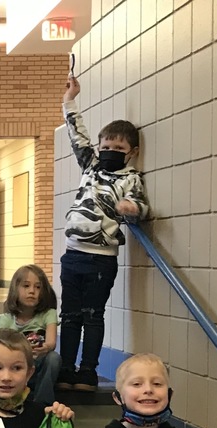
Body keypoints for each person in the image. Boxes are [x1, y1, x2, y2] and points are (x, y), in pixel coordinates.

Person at [58, 75, 149, 392]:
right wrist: (70, 100)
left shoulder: (131, 178)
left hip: (102, 259)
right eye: (106, 146)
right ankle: (66, 368)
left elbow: (142, 206)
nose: (110, 151)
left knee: (92, 316)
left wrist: (132, 209)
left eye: (118, 148)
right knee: (69, 316)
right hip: (72, 254)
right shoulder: (91, 166)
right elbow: (77, 136)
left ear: (131, 152)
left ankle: (87, 371)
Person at [0, 265, 61, 406]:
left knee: (53, 358)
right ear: (15, 289)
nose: (32, 291)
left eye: (38, 287)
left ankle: (42, 404)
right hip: (15, 368)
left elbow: (51, 342)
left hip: (38, 367)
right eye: (26, 286)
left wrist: (45, 348)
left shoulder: (48, 314)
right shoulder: (6, 319)